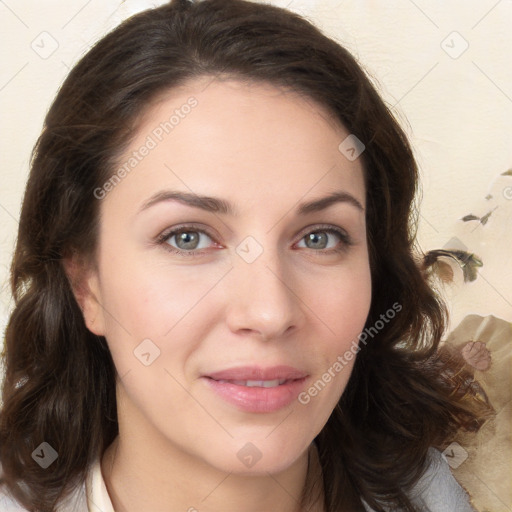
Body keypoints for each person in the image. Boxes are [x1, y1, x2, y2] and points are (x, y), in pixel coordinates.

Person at [0, 0, 494, 510]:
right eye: (187, 237)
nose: (269, 313)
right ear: (87, 284)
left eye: (320, 237)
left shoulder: (447, 493)